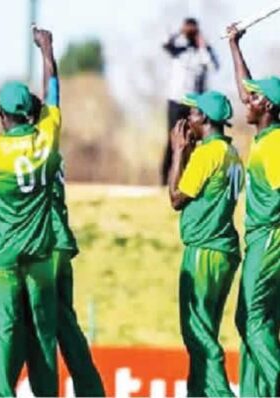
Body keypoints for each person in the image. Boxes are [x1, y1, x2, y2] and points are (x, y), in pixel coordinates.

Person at [0, 27, 61, 396]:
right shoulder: (48, 138)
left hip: (3, 257)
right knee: (43, 335)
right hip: (41, 254)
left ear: (1, 115)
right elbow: (53, 91)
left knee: (3, 332)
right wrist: (47, 51)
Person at [26, 90, 105, 396]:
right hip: (61, 242)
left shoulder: (26, 152)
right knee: (65, 324)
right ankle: (92, 391)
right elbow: (53, 101)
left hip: (44, 246)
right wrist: (49, 58)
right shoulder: (50, 145)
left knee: (41, 327)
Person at [167, 91, 241, 396]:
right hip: (223, 250)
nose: (187, 119)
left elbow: (175, 197)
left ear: (205, 120)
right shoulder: (231, 152)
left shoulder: (208, 154)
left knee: (199, 336)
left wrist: (177, 152)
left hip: (204, 250)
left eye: (193, 113)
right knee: (204, 333)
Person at [227, 24, 280, 397]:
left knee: (250, 320)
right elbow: (246, 85)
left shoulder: (275, 144)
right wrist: (234, 45)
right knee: (258, 323)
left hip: (269, 239)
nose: (247, 100)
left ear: (270, 106)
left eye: (255, 98)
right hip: (262, 239)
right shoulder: (267, 136)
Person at [161, 17, 219, 185]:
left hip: (194, 103)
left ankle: (187, 178)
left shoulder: (204, 52)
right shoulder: (178, 49)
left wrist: (202, 44)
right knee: (173, 137)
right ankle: (166, 178)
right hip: (176, 100)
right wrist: (180, 31)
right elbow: (165, 43)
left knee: (193, 139)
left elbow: (214, 67)